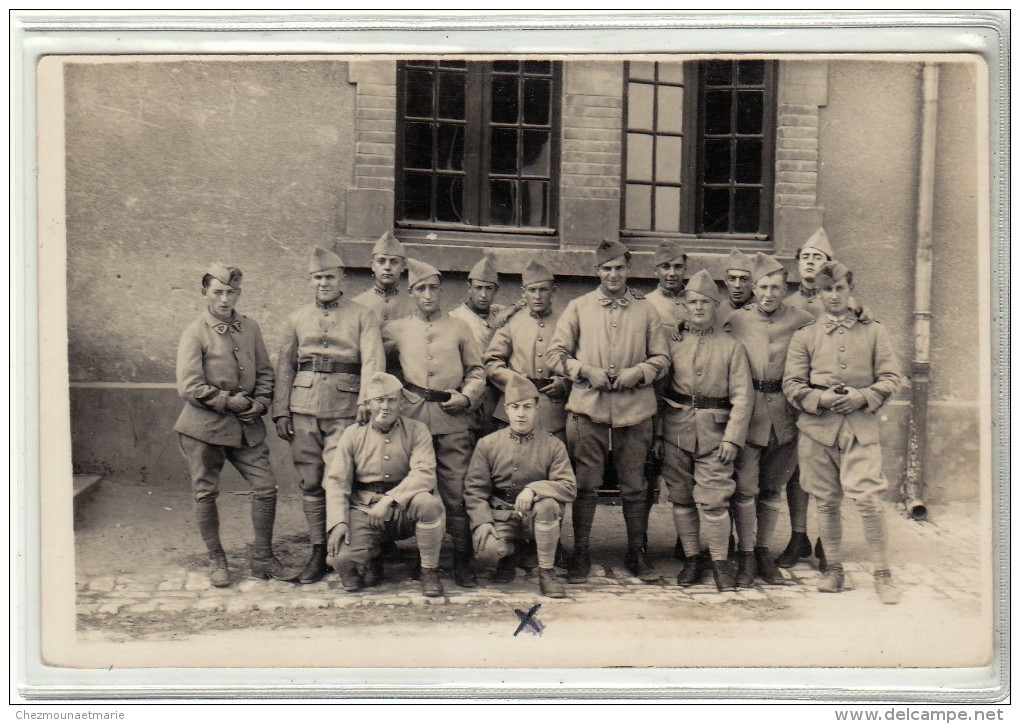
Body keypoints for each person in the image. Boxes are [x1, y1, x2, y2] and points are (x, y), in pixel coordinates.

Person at [548, 239, 669, 584]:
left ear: (628, 270)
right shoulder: (579, 307)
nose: (613, 275)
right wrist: (585, 371)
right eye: (606, 269)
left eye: (619, 268)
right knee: (586, 484)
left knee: (635, 485)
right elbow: (555, 354)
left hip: (635, 410)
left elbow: (662, 358)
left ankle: (637, 551)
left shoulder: (646, 310)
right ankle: (582, 552)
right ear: (596, 271)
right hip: (588, 409)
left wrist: (638, 373)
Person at [783, 261, 903, 604]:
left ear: (850, 291)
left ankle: (883, 573)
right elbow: (791, 385)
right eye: (826, 290)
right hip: (818, 431)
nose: (833, 296)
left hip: (860, 430)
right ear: (817, 294)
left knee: (867, 500)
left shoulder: (874, 331)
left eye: (839, 289)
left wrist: (861, 397)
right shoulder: (805, 336)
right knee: (826, 502)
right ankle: (833, 569)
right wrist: (820, 398)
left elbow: (892, 378)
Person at [174, 264, 300, 587]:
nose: (224, 298)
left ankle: (263, 557)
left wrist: (260, 403)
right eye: (217, 291)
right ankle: (217, 559)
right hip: (205, 428)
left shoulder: (251, 328)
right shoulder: (195, 333)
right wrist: (228, 401)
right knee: (205, 493)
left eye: (231, 292)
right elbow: (189, 386)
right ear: (205, 293)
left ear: (239, 294)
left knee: (265, 486)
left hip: (246, 426)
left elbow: (265, 372)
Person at [272, 247, 385, 584]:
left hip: (345, 408)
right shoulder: (296, 318)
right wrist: (281, 410)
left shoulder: (362, 316)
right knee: (310, 481)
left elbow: (373, 361)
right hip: (304, 407)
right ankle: (318, 551)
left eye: (330, 277)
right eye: (318, 277)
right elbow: (284, 366)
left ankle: (353, 550)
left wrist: (368, 401)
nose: (324, 283)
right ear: (311, 280)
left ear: (342, 280)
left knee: (342, 479)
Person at [382, 258, 487, 587]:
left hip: (452, 416)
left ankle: (462, 558)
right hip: (412, 419)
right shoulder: (397, 329)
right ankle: (416, 558)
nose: (428, 295)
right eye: (421, 289)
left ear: (441, 291)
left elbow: (477, 371)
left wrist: (467, 397)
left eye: (433, 288)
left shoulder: (459, 327)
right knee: (411, 487)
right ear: (412, 293)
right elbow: (378, 368)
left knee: (455, 491)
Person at [658, 269, 753, 592]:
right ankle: (692, 557)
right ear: (684, 306)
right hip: (676, 429)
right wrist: (660, 434)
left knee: (714, 500)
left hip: (716, 434)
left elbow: (742, 397)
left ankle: (720, 563)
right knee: (681, 497)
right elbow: (660, 390)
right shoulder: (673, 344)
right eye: (692, 302)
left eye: (705, 303)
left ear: (717, 306)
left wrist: (733, 438)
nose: (698, 308)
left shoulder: (731, 347)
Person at [724, 253, 815, 586]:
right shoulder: (735, 320)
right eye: (762, 286)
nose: (768, 294)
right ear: (754, 286)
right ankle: (746, 555)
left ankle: (764, 552)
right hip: (749, 413)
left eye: (776, 287)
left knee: (773, 487)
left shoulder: (803, 320)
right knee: (745, 488)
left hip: (787, 415)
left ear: (784, 288)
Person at [323, 371, 446, 597]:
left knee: (428, 503)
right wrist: (338, 521)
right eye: (379, 400)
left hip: (404, 506)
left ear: (401, 403)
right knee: (339, 559)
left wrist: (390, 499)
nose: (385, 407)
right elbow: (337, 482)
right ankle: (373, 556)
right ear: (368, 403)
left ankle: (429, 570)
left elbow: (424, 473)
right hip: (365, 507)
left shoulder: (417, 430)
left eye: (391, 400)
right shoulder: (352, 435)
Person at [464, 374, 577, 599]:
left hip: (535, 513)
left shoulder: (553, 445)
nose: (521, 414)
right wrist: (483, 522)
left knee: (548, 506)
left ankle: (546, 572)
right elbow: (475, 490)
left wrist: (535, 489)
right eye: (515, 407)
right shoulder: (488, 444)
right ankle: (509, 556)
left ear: (537, 409)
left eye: (527, 407)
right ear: (506, 409)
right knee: (488, 551)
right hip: (502, 514)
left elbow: (568, 486)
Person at [484, 259, 569, 440]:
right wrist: (514, 380)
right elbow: (491, 362)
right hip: (515, 408)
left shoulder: (566, 322)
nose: (537, 296)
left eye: (543, 290)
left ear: (553, 291)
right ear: (524, 293)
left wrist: (565, 383)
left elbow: (578, 360)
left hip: (553, 412)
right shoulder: (512, 322)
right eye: (532, 290)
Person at [449, 254, 524, 439]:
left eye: (489, 289)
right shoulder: (455, 318)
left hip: (496, 393)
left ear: (496, 290)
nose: (483, 295)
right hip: (468, 392)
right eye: (478, 288)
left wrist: (513, 307)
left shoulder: (499, 312)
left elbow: (530, 303)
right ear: (469, 289)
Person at [351, 230, 416, 326]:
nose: (387, 267)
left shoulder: (414, 306)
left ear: (403, 266)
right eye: (381, 261)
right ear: (373, 265)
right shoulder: (356, 305)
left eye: (394, 262)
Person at [715, 248, 756, 327]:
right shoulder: (716, 311)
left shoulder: (763, 310)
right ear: (726, 281)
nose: (737, 285)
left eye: (744, 279)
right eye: (732, 279)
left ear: (753, 282)